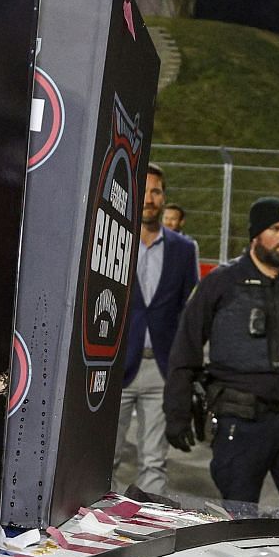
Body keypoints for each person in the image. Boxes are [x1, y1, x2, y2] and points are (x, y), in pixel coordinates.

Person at [164, 197, 279, 508]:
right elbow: (186, 349)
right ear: (255, 235)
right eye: (275, 228)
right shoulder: (221, 283)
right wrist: (177, 412)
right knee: (239, 517)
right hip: (239, 423)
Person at [114, 165, 199, 496]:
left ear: (164, 198)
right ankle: (96, 531)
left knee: (154, 462)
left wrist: (185, 367)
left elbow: (189, 314)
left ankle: (150, 535)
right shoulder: (113, 239)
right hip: (117, 368)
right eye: (144, 191)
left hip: (162, 370)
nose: (149, 199)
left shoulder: (183, 249)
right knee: (104, 459)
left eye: (156, 191)